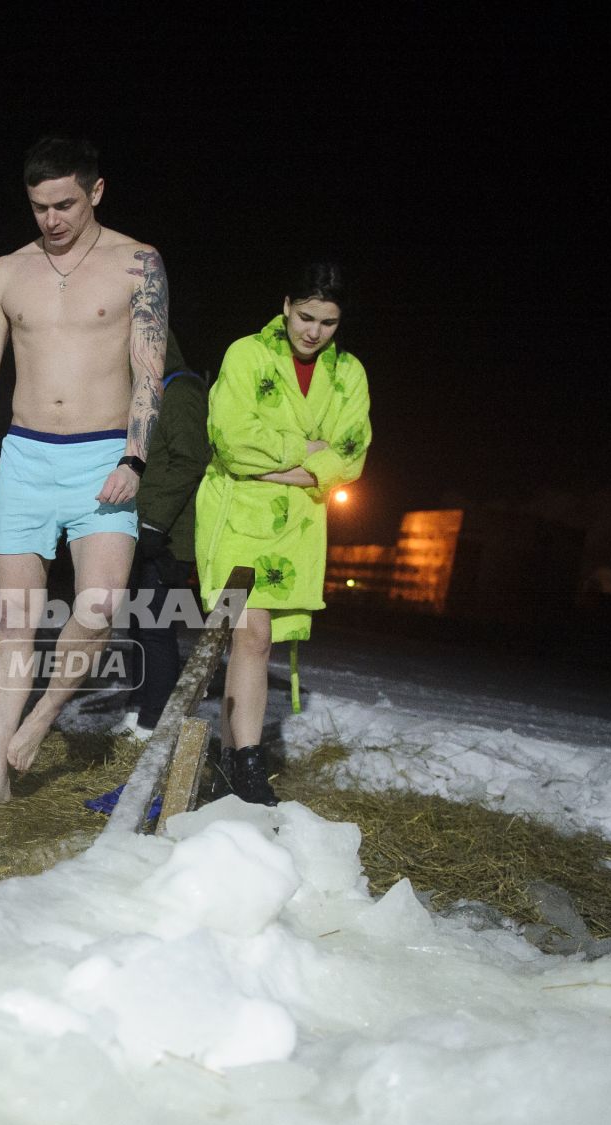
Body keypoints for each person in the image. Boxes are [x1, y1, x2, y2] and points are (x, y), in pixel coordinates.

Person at [0, 135, 168, 805]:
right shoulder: (7, 273)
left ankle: (41, 718)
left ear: (96, 191)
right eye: (39, 207)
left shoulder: (139, 264)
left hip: (103, 453)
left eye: (65, 204)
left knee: (98, 607)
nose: (52, 220)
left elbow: (150, 372)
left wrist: (135, 455)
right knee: (17, 621)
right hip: (25, 455)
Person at [194, 262, 371, 805]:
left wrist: (274, 464)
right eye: (305, 316)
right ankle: (246, 765)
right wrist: (306, 452)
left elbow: (352, 456)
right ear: (287, 303)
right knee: (249, 635)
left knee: (258, 642)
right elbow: (231, 440)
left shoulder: (350, 375)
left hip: (294, 529)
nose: (313, 331)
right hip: (235, 517)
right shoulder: (246, 354)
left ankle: (233, 761)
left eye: (329, 322)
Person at [121, 329, 210, 738]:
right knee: (138, 624)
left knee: (156, 627)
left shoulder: (183, 389)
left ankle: (155, 721)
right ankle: (138, 709)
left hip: (170, 535)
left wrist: (155, 523)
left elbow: (190, 461)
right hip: (145, 527)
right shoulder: (150, 393)